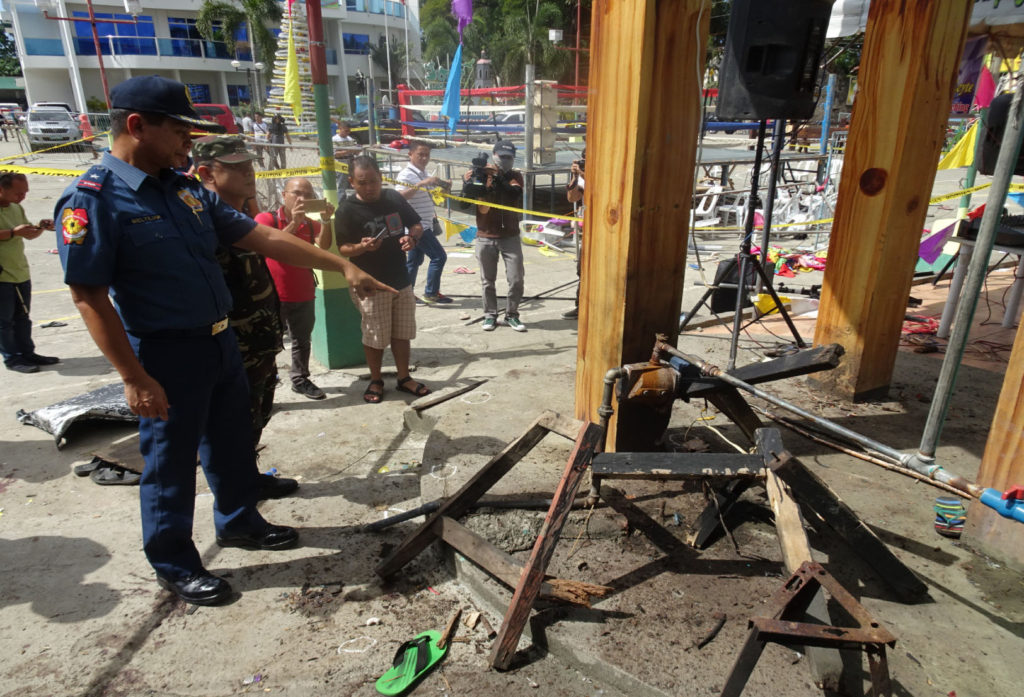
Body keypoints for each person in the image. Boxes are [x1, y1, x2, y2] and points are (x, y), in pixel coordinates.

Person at [55, 75, 395, 606]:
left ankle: (239, 521)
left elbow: (261, 236)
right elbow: (89, 298)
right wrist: (133, 378)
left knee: (233, 441)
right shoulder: (94, 200)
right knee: (169, 464)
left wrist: (339, 264)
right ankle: (174, 563)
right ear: (137, 126)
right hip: (165, 355)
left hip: (221, 342)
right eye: (179, 132)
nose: (188, 145)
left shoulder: (185, 190)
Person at [192, 134, 298, 501]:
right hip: (233, 342)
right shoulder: (207, 220)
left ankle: (247, 477)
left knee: (257, 414)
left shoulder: (240, 215)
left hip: (260, 338)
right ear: (206, 173)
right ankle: (236, 496)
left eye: (250, 166)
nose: (249, 173)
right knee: (232, 423)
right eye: (236, 168)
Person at [336, 156, 431, 403]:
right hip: (369, 285)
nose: (369, 188)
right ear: (351, 182)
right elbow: (343, 249)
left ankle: (403, 378)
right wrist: (361, 247)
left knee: (402, 333)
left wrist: (413, 238)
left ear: (381, 178)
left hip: (401, 279)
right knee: (375, 336)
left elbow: (417, 225)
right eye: (362, 182)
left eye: (374, 182)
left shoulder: (393, 198)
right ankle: (376, 380)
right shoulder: (346, 209)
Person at [255, 177, 333, 401]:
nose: (303, 199)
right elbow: (268, 245)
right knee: (269, 343)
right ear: (284, 195)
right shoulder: (266, 218)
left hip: (303, 292)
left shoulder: (310, 223)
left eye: (308, 195)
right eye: (297, 193)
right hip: (272, 295)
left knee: (301, 340)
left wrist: (326, 221)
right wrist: (293, 223)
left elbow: (325, 245)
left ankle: (300, 379)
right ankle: (265, 383)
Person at [462, 140, 526, 332]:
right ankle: (490, 315)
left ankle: (512, 315)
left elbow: (514, 193)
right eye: (501, 157)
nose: (504, 160)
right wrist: (469, 182)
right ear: (494, 155)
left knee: (516, 278)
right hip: (485, 235)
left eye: (509, 157)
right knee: (487, 280)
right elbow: (465, 204)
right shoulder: (481, 175)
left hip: (510, 236)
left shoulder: (515, 176)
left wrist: (498, 177)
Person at [0, 172, 58, 373]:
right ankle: (12, 358)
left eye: (25, 193)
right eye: (18, 193)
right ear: (2, 189)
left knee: (23, 317)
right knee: (4, 321)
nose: (22, 197)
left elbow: (28, 235)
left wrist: (41, 228)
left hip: (19, 271)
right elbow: (15, 232)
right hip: (2, 275)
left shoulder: (16, 208)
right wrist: (13, 232)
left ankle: (27, 353)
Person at [397, 140, 452, 305]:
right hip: (417, 227)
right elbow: (399, 197)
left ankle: (407, 294)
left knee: (413, 262)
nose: (424, 158)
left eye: (426, 155)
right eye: (420, 154)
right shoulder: (406, 174)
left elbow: (436, 197)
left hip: (425, 224)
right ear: (410, 154)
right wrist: (421, 184)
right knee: (439, 257)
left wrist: (444, 187)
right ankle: (431, 292)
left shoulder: (423, 173)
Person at [563, 150, 585, 320]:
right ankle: (581, 306)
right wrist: (575, 176)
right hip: (588, 230)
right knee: (582, 270)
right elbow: (572, 198)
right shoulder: (581, 176)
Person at [333, 122, 360, 200]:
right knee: (342, 185)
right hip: (341, 163)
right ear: (340, 129)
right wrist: (348, 151)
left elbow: (356, 151)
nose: (347, 133)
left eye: (349, 131)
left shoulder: (350, 139)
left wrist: (357, 150)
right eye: (346, 131)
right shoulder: (335, 139)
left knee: (351, 185)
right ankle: (340, 203)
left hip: (350, 162)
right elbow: (335, 154)